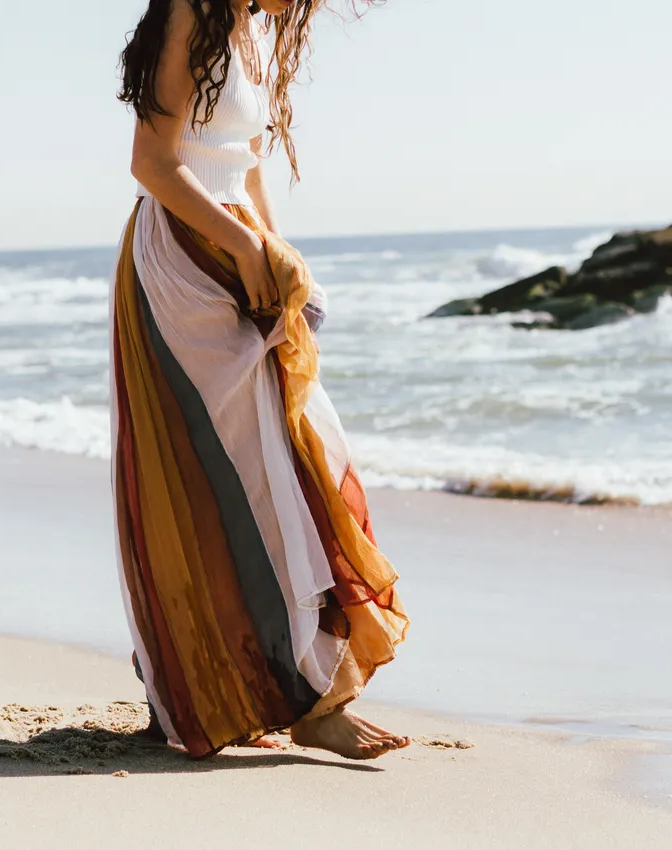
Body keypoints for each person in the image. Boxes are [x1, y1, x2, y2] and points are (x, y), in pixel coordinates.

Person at [111, 0, 409, 760]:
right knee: (225, 476)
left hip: (234, 252)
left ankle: (274, 687)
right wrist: (246, 247)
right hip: (186, 262)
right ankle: (271, 695)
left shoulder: (238, 26)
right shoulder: (189, 11)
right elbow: (153, 163)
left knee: (290, 458)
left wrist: (276, 253)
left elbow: (243, 161)